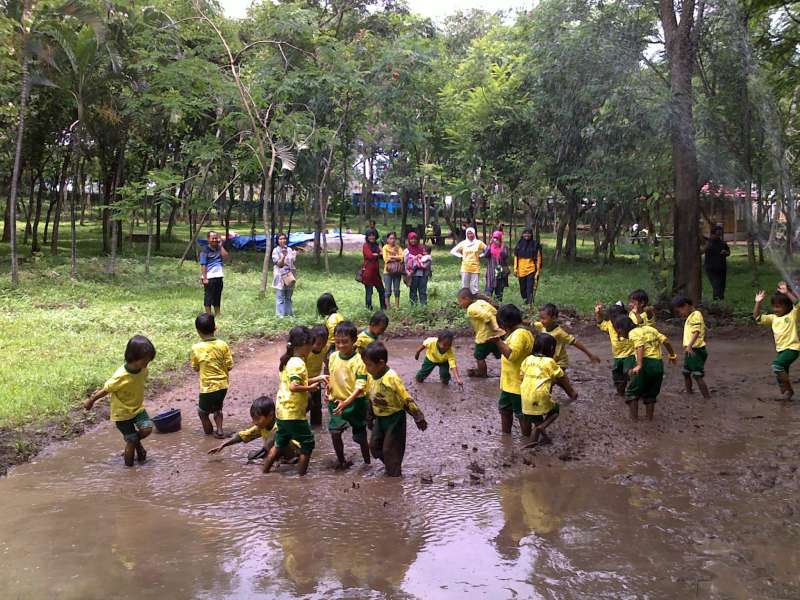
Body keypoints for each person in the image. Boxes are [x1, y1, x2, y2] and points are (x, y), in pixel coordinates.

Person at [84, 336, 156, 467]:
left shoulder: (143, 370)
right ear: (133, 357)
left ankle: (133, 442)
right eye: (144, 360)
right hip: (122, 414)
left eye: (148, 361)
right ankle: (129, 470)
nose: (147, 363)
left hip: (137, 408)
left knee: (147, 429)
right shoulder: (120, 376)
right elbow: (106, 390)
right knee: (132, 439)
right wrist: (91, 400)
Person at [262, 326, 326, 476]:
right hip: (293, 413)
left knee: (280, 443)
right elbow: (294, 386)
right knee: (308, 443)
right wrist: (310, 388)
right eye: (311, 344)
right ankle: (301, 477)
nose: (311, 348)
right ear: (304, 344)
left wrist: (318, 378)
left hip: (282, 412)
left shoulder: (289, 360)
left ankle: (264, 473)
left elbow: (296, 381)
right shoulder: (298, 363)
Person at [363, 342, 428, 476]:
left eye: (368, 365)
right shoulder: (370, 376)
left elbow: (405, 397)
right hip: (380, 417)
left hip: (394, 418)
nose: (366, 368)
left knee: (389, 449)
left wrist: (418, 416)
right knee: (374, 447)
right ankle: (391, 465)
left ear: (381, 363)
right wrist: (369, 416)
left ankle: (394, 476)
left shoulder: (391, 377)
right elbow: (369, 395)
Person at [613, 315, 677, 420]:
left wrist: (639, 365)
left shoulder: (633, 332)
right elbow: (666, 341)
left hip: (645, 364)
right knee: (651, 393)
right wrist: (672, 355)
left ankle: (634, 420)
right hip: (658, 365)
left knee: (632, 392)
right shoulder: (650, 329)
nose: (619, 334)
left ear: (622, 328)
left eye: (619, 331)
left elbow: (639, 346)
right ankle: (649, 420)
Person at [520, 333, 578, 447]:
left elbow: (522, 376)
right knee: (555, 410)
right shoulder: (550, 362)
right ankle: (542, 427)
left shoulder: (527, 360)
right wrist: (571, 391)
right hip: (540, 395)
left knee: (536, 419)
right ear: (551, 349)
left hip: (525, 395)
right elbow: (561, 376)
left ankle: (533, 444)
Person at [328, 321, 371, 468]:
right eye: (337, 342)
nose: (340, 346)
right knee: (334, 432)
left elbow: (360, 387)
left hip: (356, 403)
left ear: (354, 341)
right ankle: (341, 461)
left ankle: (367, 462)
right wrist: (328, 390)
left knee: (360, 436)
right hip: (336, 402)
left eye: (345, 342)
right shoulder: (333, 357)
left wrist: (347, 402)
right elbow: (332, 376)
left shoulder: (359, 361)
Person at [754, 282, 800, 400]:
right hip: (781, 350)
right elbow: (757, 317)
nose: (775, 309)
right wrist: (758, 302)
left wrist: (787, 293)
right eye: (774, 306)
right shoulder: (773, 318)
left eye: (779, 306)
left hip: (792, 348)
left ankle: (789, 390)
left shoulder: (792, 315)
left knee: (777, 366)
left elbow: (798, 303)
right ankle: (787, 394)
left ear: (787, 306)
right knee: (781, 374)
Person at [191, 313, 234, 438]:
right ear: (215, 328)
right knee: (217, 409)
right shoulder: (223, 345)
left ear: (198, 331)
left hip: (207, 388)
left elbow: (195, 368)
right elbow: (230, 365)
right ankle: (220, 430)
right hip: (223, 386)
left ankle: (208, 432)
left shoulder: (196, 348)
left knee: (202, 412)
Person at [494, 304, 535, 435]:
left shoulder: (520, 334)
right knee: (505, 410)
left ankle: (526, 438)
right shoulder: (518, 333)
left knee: (521, 414)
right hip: (510, 384)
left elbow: (511, 355)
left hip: (518, 385)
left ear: (505, 323)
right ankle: (506, 436)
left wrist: (497, 341)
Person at [207, 396, 280, 460]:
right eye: (253, 419)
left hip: (286, 452)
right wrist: (223, 445)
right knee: (251, 455)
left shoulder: (279, 427)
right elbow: (243, 436)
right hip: (272, 452)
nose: (255, 422)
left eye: (257, 419)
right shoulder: (262, 427)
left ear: (270, 415)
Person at [457, 288, 506, 378]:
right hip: (499, 334)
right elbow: (495, 312)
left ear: (466, 299)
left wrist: (491, 326)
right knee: (503, 353)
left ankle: (482, 374)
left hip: (485, 337)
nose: (460, 304)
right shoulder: (480, 302)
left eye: (460, 301)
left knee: (479, 356)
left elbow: (487, 316)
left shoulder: (471, 309)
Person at [534, 303, 600, 369]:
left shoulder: (559, 333)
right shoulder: (542, 326)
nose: (541, 321)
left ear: (553, 318)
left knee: (560, 378)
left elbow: (575, 342)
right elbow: (530, 323)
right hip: (549, 361)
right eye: (540, 318)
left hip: (560, 363)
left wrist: (590, 355)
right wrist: (523, 321)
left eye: (543, 318)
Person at [672, 296, 710, 399]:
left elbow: (696, 331)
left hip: (694, 350)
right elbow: (703, 329)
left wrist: (689, 346)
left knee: (697, 374)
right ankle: (689, 392)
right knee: (686, 372)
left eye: (680, 310)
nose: (681, 313)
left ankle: (706, 397)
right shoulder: (693, 316)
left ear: (686, 306)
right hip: (692, 349)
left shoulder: (695, 315)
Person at [594, 302, 634, 396]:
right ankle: (621, 392)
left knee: (629, 372)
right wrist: (598, 313)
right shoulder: (609, 324)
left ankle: (634, 392)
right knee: (617, 376)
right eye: (613, 317)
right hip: (617, 356)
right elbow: (600, 322)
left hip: (631, 354)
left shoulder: (629, 323)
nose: (615, 320)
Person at [199, 230, 229, 316]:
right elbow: (203, 265)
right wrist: (205, 278)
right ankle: (208, 315)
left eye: (216, 238)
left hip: (219, 276)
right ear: (208, 239)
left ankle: (218, 313)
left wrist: (221, 246)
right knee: (208, 296)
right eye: (213, 238)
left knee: (217, 296)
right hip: (209, 277)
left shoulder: (219, 249)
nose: (215, 240)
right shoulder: (205, 251)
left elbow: (226, 257)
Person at [450, 227, 487, 294]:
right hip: (465, 267)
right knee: (465, 287)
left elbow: (487, 250)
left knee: (475, 287)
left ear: (474, 234)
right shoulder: (463, 243)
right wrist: (460, 256)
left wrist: (481, 255)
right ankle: (466, 301)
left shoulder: (479, 243)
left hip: (475, 267)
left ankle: (475, 300)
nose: (470, 235)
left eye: (471, 233)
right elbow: (453, 251)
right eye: (468, 233)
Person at [305, 326, 328, 427]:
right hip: (304, 381)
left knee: (317, 404)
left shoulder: (325, 349)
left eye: (323, 344)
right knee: (304, 404)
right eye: (318, 343)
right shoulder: (306, 352)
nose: (321, 346)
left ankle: (316, 425)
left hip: (317, 380)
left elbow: (326, 362)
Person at [272, 233, 297, 317]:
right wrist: (283, 256)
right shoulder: (275, 250)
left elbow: (291, 262)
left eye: (284, 238)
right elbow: (279, 264)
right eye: (280, 239)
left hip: (289, 276)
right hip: (280, 277)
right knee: (280, 297)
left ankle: (289, 314)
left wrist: (294, 256)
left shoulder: (289, 249)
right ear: (277, 240)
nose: (283, 240)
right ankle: (280, 316)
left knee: (288, 297)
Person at [514, 229, 542, 305]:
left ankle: (530, 304)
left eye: (528, 233)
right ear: (522, 234)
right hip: (521, 270)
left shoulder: (535, 244)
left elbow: (539, 258)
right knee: (522, 289)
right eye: (525, 233)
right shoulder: (519, 244)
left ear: (531, 234)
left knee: (530, 288)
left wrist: (538, 271)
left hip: (531, 270)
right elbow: (516, 257)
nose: (527, 235)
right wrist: (515, 269)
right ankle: (525, 300)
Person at [361, 230, 387, 310]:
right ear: (367, 236)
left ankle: (383, 307)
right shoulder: (365, 245)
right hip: (368, 273)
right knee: (369, 292)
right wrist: (377, 254)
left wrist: (377, 254)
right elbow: (370, 256)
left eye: (373, 235)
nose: (372, 237)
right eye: (370, 235)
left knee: (381, 290)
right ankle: (368, 308)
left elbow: (383, 255)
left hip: (376, 273)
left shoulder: (376, 245)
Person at [704, 224, 730, 301]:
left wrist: (726, 252)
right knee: (716, 285)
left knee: (722, 285)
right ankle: (716, 301)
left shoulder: (722, 243)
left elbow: (728, 252)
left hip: (721, 268)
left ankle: (720, 300)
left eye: (720, 234)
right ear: (713, 233)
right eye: (717, 234)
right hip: (711, 268)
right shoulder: (708, 243)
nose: (718, 236)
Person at [404, 232, 431, 306]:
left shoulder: (423, 249)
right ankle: (414, 307)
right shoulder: (407, 251)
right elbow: (405, 264)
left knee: (423, 291)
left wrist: (428, 270)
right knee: (413, 291)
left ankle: (423, 307)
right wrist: (407, 274)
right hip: (412, 275)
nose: (413, 241)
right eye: (411, 239)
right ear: (409, 240)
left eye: (415, 239)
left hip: (423, 274)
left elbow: (428, 259)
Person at [483, 230, 509, 302]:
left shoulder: (504, 246)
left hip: (500, 271)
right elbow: (485, 255)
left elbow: (505, 256)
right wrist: (489, 245)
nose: (495, 239)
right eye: (494, 237)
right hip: (491, 272)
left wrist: (500, 246)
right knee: (488, 292)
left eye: (497, 238)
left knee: (499, 293)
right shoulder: (490, 246)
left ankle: (498, 308)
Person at [382, 232, 404, 309]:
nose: (392, 240)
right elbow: (385, 259)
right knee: (387, 291)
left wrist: (391, 257)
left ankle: (397, 307)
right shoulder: (385, 247)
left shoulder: (398, 248)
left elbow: (402, 258)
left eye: (394, 238)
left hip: (397, 271)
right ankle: (388, 307)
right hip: (387, 272)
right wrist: (396, 257)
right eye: (390, 238)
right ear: (387, 239)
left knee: (397, 290)